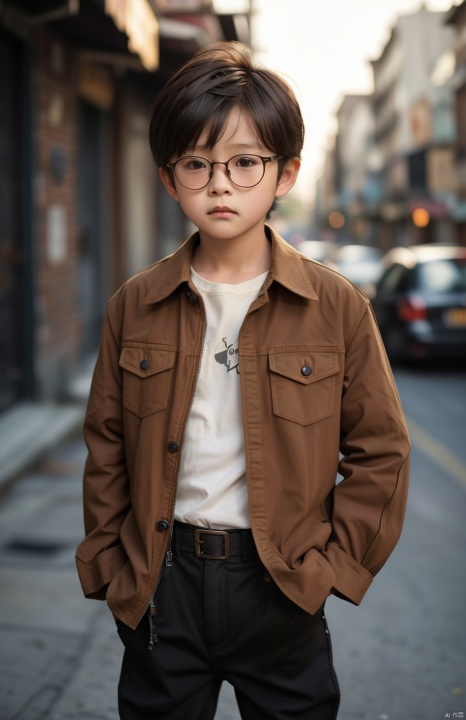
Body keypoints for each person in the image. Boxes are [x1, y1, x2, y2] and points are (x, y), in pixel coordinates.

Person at [76, 41, 410, 720]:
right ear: (170, 180)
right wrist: (112, 569)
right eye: (196, 164)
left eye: (244, 162)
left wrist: (331, 572)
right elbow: (106, 448)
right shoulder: (133, 304)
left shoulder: (336, 305)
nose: (220, 183)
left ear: (284, 173)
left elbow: (382, 451)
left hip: (282, 589)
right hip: (162, 588)